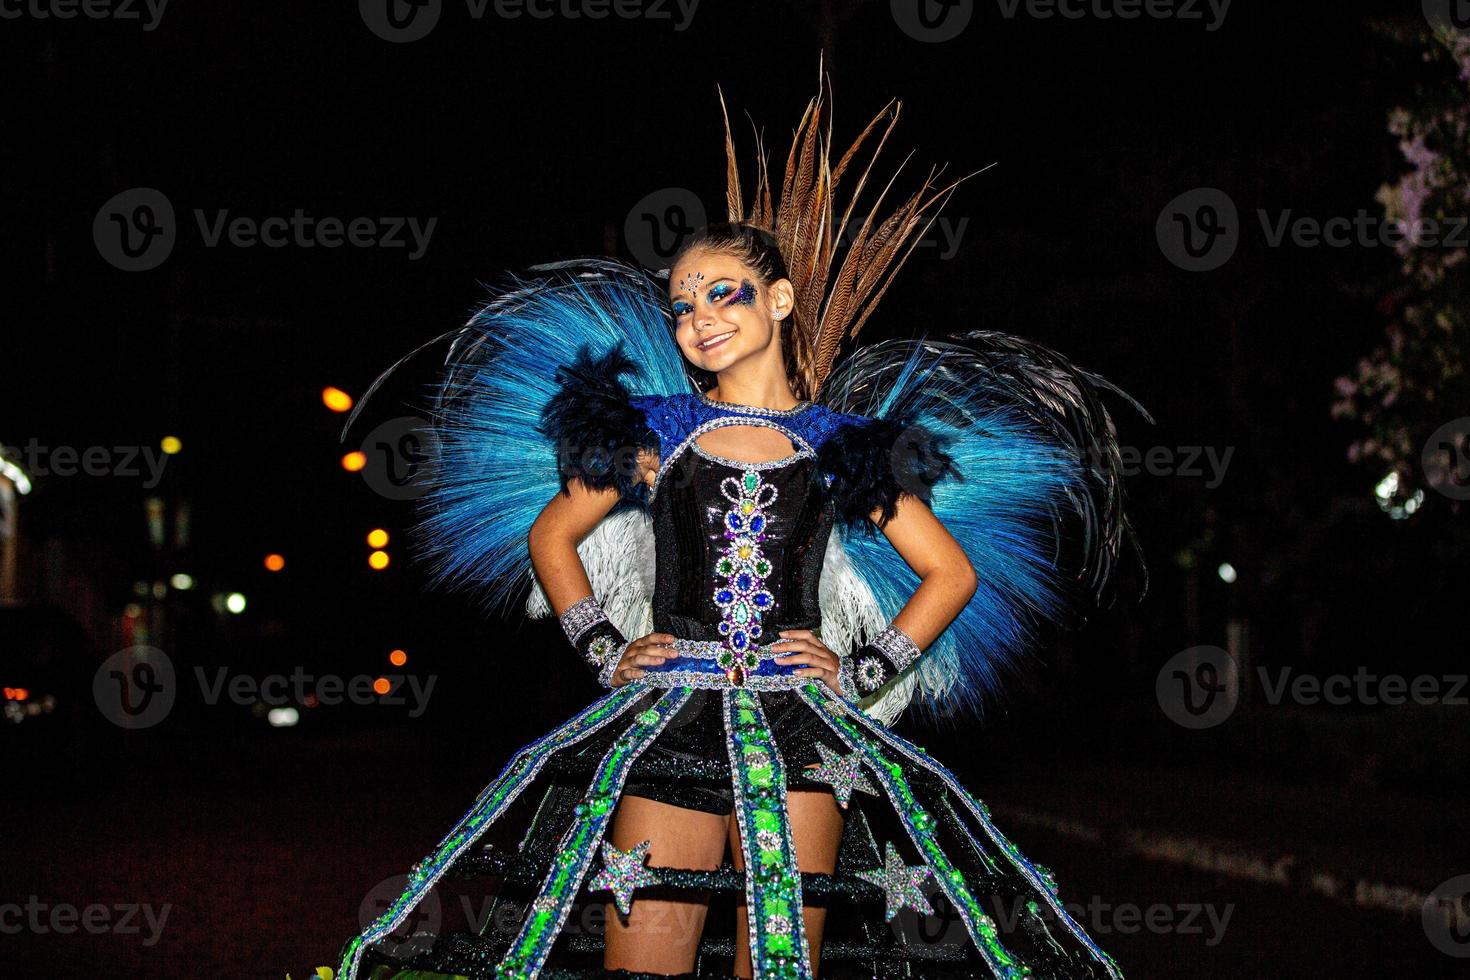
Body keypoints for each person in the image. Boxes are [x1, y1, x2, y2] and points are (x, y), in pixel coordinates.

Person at [337, 76, 1141, 980]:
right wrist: (603, 646)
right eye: (682, 305)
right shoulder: (658, 433)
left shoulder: (841, 446)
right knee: (645, 964)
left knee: (781, 967)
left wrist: (863, 667)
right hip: (667, 721)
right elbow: (551, 538)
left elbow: (949, 574)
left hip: (803, 734)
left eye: (725, 295)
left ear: (782, 302)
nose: (699, 320)